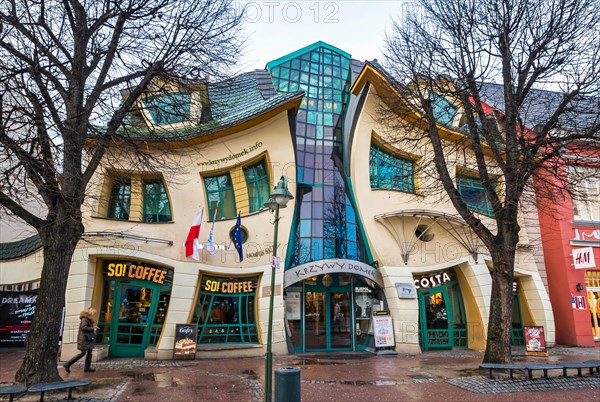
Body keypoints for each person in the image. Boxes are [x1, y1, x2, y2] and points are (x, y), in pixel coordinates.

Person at [63, 307, 97, 373]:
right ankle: (67, 364)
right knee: (83, 353)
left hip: (87, 339)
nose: (93, 314)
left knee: (89, 352)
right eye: (93, 312)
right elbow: (84, 327)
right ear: (89, 312)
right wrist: (92, 328)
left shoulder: (87, 319)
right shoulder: (85, 319)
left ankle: (87, 367)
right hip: (84, 339)